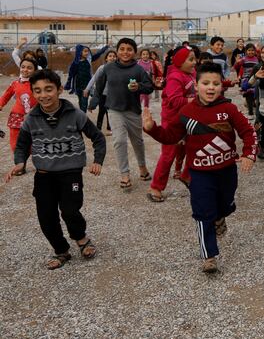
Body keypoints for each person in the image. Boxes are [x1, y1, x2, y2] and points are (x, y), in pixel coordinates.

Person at [143, 63, 257, 274]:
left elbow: (248, 131)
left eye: (215, 83)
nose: (211, 87)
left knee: (225, 205)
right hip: (199, 173)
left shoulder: (229, 109)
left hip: (226, 171)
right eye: (205, 83)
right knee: (203, 213)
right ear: (196, 86)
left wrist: (249, 153)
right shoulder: (186, 112)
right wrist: (153, 129)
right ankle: (209, 256)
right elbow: (171, 136)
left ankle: (220, 216)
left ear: (222, 86)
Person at [5, 69, 105, 270]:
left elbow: (98, 137)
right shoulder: (31, 119)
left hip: (70, 173)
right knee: (46, 216)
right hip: (44, 175)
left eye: (48, 89)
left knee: (70, 210)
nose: (43, 95)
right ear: (33, 93)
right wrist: (20, 162)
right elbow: (23, 144)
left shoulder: (76, 115)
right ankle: (61, 250)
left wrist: (98, 160)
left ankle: (81, 238)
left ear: (59, 89)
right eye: (38, 91)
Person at [94, 38, 154, 189]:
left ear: (134, 52)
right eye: (122, 49)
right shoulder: (108, 68)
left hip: (133, 110)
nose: (125, 52)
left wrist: (138, 86)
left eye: (129, 49)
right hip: (114, 110)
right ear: (117, 50)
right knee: (119, 141)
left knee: (137, 142)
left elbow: (149, 87)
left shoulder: (139, 69)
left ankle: (142, 168)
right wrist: (94, 101)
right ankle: (125, 174)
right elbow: (99, 86)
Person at [147, 46, 196, 202]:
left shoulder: (191, 73)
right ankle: (155, 186)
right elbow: (175, 101)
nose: (195, 62)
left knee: (195, 147)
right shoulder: (175, 77)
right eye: (191, 59)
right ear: (180, 62)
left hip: (189, 118)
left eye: (195, 58)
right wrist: (196, 100)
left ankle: (187, 176)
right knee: (169, 155)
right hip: (173, 121)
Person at [0, 57, 37, 174]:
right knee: (16, 144)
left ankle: (41, 165)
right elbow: (6, 96)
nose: (25, 70)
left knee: (33, 143)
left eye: (29, 68)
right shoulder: (15, 83)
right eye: (23, 67)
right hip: (16, 117)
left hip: (33, 118)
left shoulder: (37, 84)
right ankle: (20, 166)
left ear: (35, 70)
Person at [65, 43, 110, 112]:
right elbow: (71, 75)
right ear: (80, 52)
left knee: (84, 101)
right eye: (85, 51)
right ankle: (82, 114)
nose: (87, 53)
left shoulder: (89, 60)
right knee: (81, 101)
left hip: (86, 86)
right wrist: (68, 84)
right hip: (78, 85)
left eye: (87, 51)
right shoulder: (75, 63)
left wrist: (106, 47)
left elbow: (98, 54)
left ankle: (83, 117)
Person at [85, 50, 117, 135]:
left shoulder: (118, 68)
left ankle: (110, 128)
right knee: (101, 111)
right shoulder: (102, 68)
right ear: (106, 58)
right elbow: (94, 78)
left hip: (113, 95)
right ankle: (98, 128)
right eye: (110, 56)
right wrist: (87, 89)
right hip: (103, 94)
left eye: (114, 56)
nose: (112, 57)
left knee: (110, 112)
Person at [233, 43, 260, 118]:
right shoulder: (244, 59)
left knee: (255, 94)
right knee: (249, 94)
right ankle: (250, 112)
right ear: (246, 51)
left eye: (252, 50)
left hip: (255, 79)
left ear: (255, 51)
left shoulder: (257, 59)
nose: (251, 52)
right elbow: (236, 67)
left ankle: (252, 104)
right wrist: (237, 62)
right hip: (246, 79)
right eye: (249, 50)